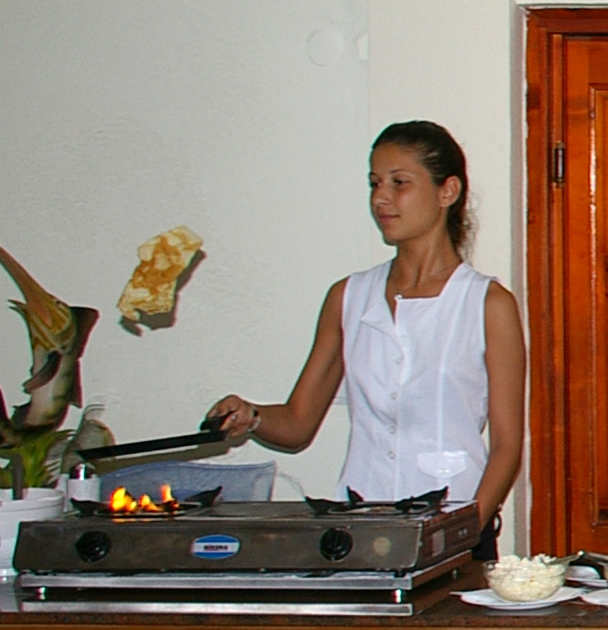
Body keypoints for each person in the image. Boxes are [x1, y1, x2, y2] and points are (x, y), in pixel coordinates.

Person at [208, 121, 526, 550]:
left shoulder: (487, 304)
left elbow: (506, 445)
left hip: (453, 532)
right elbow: (298, 423)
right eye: (375, 183)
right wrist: (251, 415)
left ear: (447, 191)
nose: (381, 198)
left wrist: (462, 534)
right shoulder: (348, 297)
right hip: (359, 530)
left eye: (399, 183)